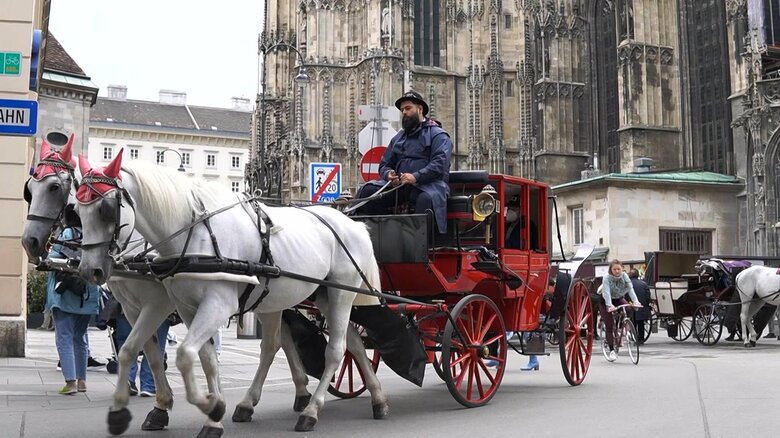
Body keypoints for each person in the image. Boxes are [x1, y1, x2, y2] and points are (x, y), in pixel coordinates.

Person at [356, 91, 453, 234]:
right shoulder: (398, 138)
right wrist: (388, 174)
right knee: (368, 191)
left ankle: (418, 247)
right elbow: (384, 164)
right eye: (402, 110)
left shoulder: (438, 135)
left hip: (429, 186)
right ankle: (378, 237)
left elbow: (439, 164)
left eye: (408, 108)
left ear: (420, 109)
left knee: (425, 199)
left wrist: (415, 177)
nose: (404, 113)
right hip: (400, 188)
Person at [47, 227, 101, 394]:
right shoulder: (96, 234)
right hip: (88, 296)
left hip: (65, 296)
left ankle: (70, 383)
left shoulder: (68, 234)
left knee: (64, 338)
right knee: (80, 338)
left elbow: (54, 258)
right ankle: (82, 381)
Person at [114, 308, 170, 397]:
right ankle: (148, 385)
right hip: (159, 307)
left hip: (126, 305)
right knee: (157, 343)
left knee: (126, 340)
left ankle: (127, 378)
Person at [600, 260, 642, 361]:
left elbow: (630, 289)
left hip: (618, 297)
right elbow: (606, 292)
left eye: (618, 269)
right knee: (609, 325)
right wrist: (609, 305)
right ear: (611, 270)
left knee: (628, 308)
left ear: (622, 269)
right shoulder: (606, 278)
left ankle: (621, 328)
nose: (617, 271)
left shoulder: (624, 276)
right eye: (614, 269)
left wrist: (636, 301)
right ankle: (611, 350)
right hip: (606, 300)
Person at [628, 268, 651, 344]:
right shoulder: (644, 284)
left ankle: (634, 337)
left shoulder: (627, 284)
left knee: (633, 323)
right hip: (642, 307)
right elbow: (648, 296)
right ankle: (641, 338)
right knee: (640, 323)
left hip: (631, 306)